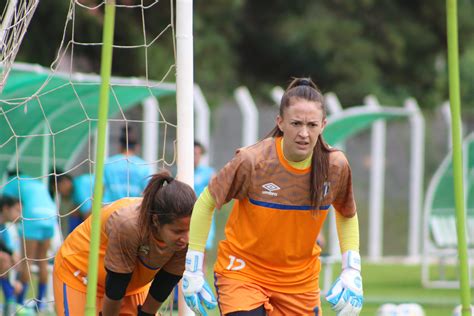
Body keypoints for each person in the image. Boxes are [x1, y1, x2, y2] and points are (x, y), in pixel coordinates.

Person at [181, 78, 363, 315]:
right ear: (280, 122)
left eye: (312, 125)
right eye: (296, 123)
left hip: (299, 282)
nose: (304, 133)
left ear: (323, 125)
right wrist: (193, 266)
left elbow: (346, 213)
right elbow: (205, 203)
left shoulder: (335, 165)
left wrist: (352, 269)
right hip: (243, 272)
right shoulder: (253, 160)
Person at [53, 171, 196, 315]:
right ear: (156, 221)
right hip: (80, 275)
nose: (186, 238)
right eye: (177, 232)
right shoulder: (129, 225)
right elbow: (116, 285)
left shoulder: (186, 232)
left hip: (130, 285)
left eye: (190, 230)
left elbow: (166, 281)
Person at [2, 172, 58, 312]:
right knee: (43, 262)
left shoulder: (12, 181)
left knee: (27, 260)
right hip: (51, 215)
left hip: (33, 215)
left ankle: (19, 304)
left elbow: (5, 202)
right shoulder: (36, 182)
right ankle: (39, 304)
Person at [103, 126, 152, 203]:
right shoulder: (143, 166)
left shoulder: (108, 164)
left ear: (120, 146)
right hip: (133, 210)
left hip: (111, 209)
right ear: (136, 147)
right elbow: (148, 192)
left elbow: (100, 189)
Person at [0, 196, 22, 314]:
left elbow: (10, 251)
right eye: (17, 211)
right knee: (4, 259)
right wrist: (10, 253)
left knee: (15, 259)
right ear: (5, 208)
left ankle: (12, 303)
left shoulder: (6, 229)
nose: (20, 215)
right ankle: (10, 301)